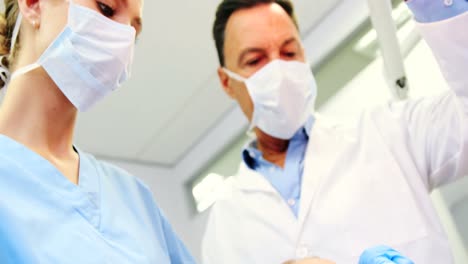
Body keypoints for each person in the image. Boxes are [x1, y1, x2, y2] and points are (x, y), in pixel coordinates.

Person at [202, 0, 468, 263]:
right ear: (227, 82)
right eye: (255, 60)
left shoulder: (393, 133)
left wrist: (440, 7)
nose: (278, 71)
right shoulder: (224, 225)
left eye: (289, 53)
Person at [0, 0, 195, 263]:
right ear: (33, 4)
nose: (122, 42)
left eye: (133, 33)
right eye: (106, 9)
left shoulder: (134, 199)